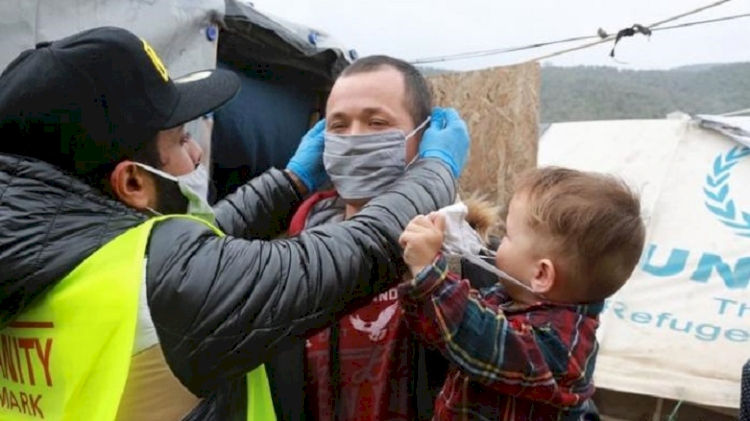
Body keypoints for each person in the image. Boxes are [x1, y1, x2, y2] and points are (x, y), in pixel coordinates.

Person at [0, 27, 470, 421]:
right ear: (132, 183)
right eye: (182, 139)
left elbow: (189, 259)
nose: (198, 151)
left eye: (376, 123)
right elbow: (361, 250)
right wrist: (437, 170)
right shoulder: (163, 289)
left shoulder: (36, 259)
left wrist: (289, 181)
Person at [269, 55, 498, 421]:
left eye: (377, 123)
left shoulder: (471, 262)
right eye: (338, 126)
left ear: (423, 139)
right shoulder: (282, 260)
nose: (355, 138)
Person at [398, 167, 646, 420]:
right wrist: (436, 267)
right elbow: (449, 330)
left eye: (507, 235)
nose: (497, 241)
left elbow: (481, 337)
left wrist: (428, 269)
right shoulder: (510, 298)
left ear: (540, 274)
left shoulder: (559, 345)